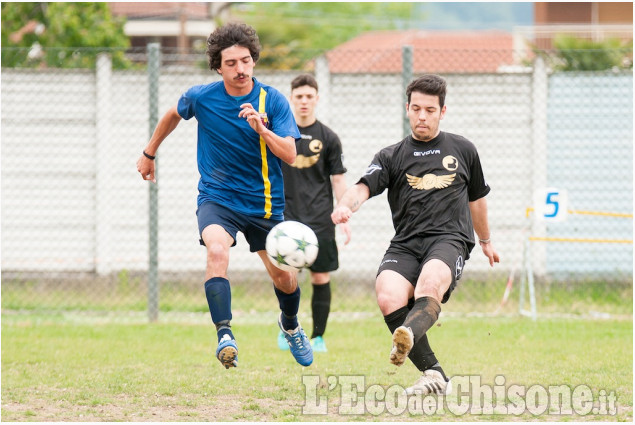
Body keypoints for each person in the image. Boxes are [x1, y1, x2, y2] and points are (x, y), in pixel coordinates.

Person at [136, 23, 313, 369]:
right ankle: (224, 335)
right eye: (231, 63)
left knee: (284, 278)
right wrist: (149, 152)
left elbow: (290, 154)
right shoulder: (202, 97)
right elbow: (174, 113)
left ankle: (290, 324)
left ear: (254, 61)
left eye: (246, 61)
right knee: (217, 250)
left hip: (264, 205)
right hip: (217, 198)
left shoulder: (272, 100)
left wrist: (262, 130)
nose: (241, 69)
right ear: (218, 67)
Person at [331, 74, 499, 394]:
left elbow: (477, 200)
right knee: (387, 294)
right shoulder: (391, 155)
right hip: (407, 242)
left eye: (430, 110)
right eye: (417, 108)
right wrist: (346, 207)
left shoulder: (463, 149)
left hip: (450, 239)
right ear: (407, 109)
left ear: (443, 111)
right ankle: (434, 374)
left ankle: (405, 333)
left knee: (429, 283)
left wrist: (486, 241)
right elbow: (363, 187)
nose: (423, 116)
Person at [276, 74, 351, 353]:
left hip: (320, 219)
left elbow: (338, 180)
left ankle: (318, 337)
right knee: (286, 278)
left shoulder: (329, 138)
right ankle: (289, 330)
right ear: (291, 99)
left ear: (317, 99)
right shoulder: (280, 134)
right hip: (286, 217)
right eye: (299, 97)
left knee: (320, 277)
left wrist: (343, 213)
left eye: (309, 96)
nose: (304, 101)